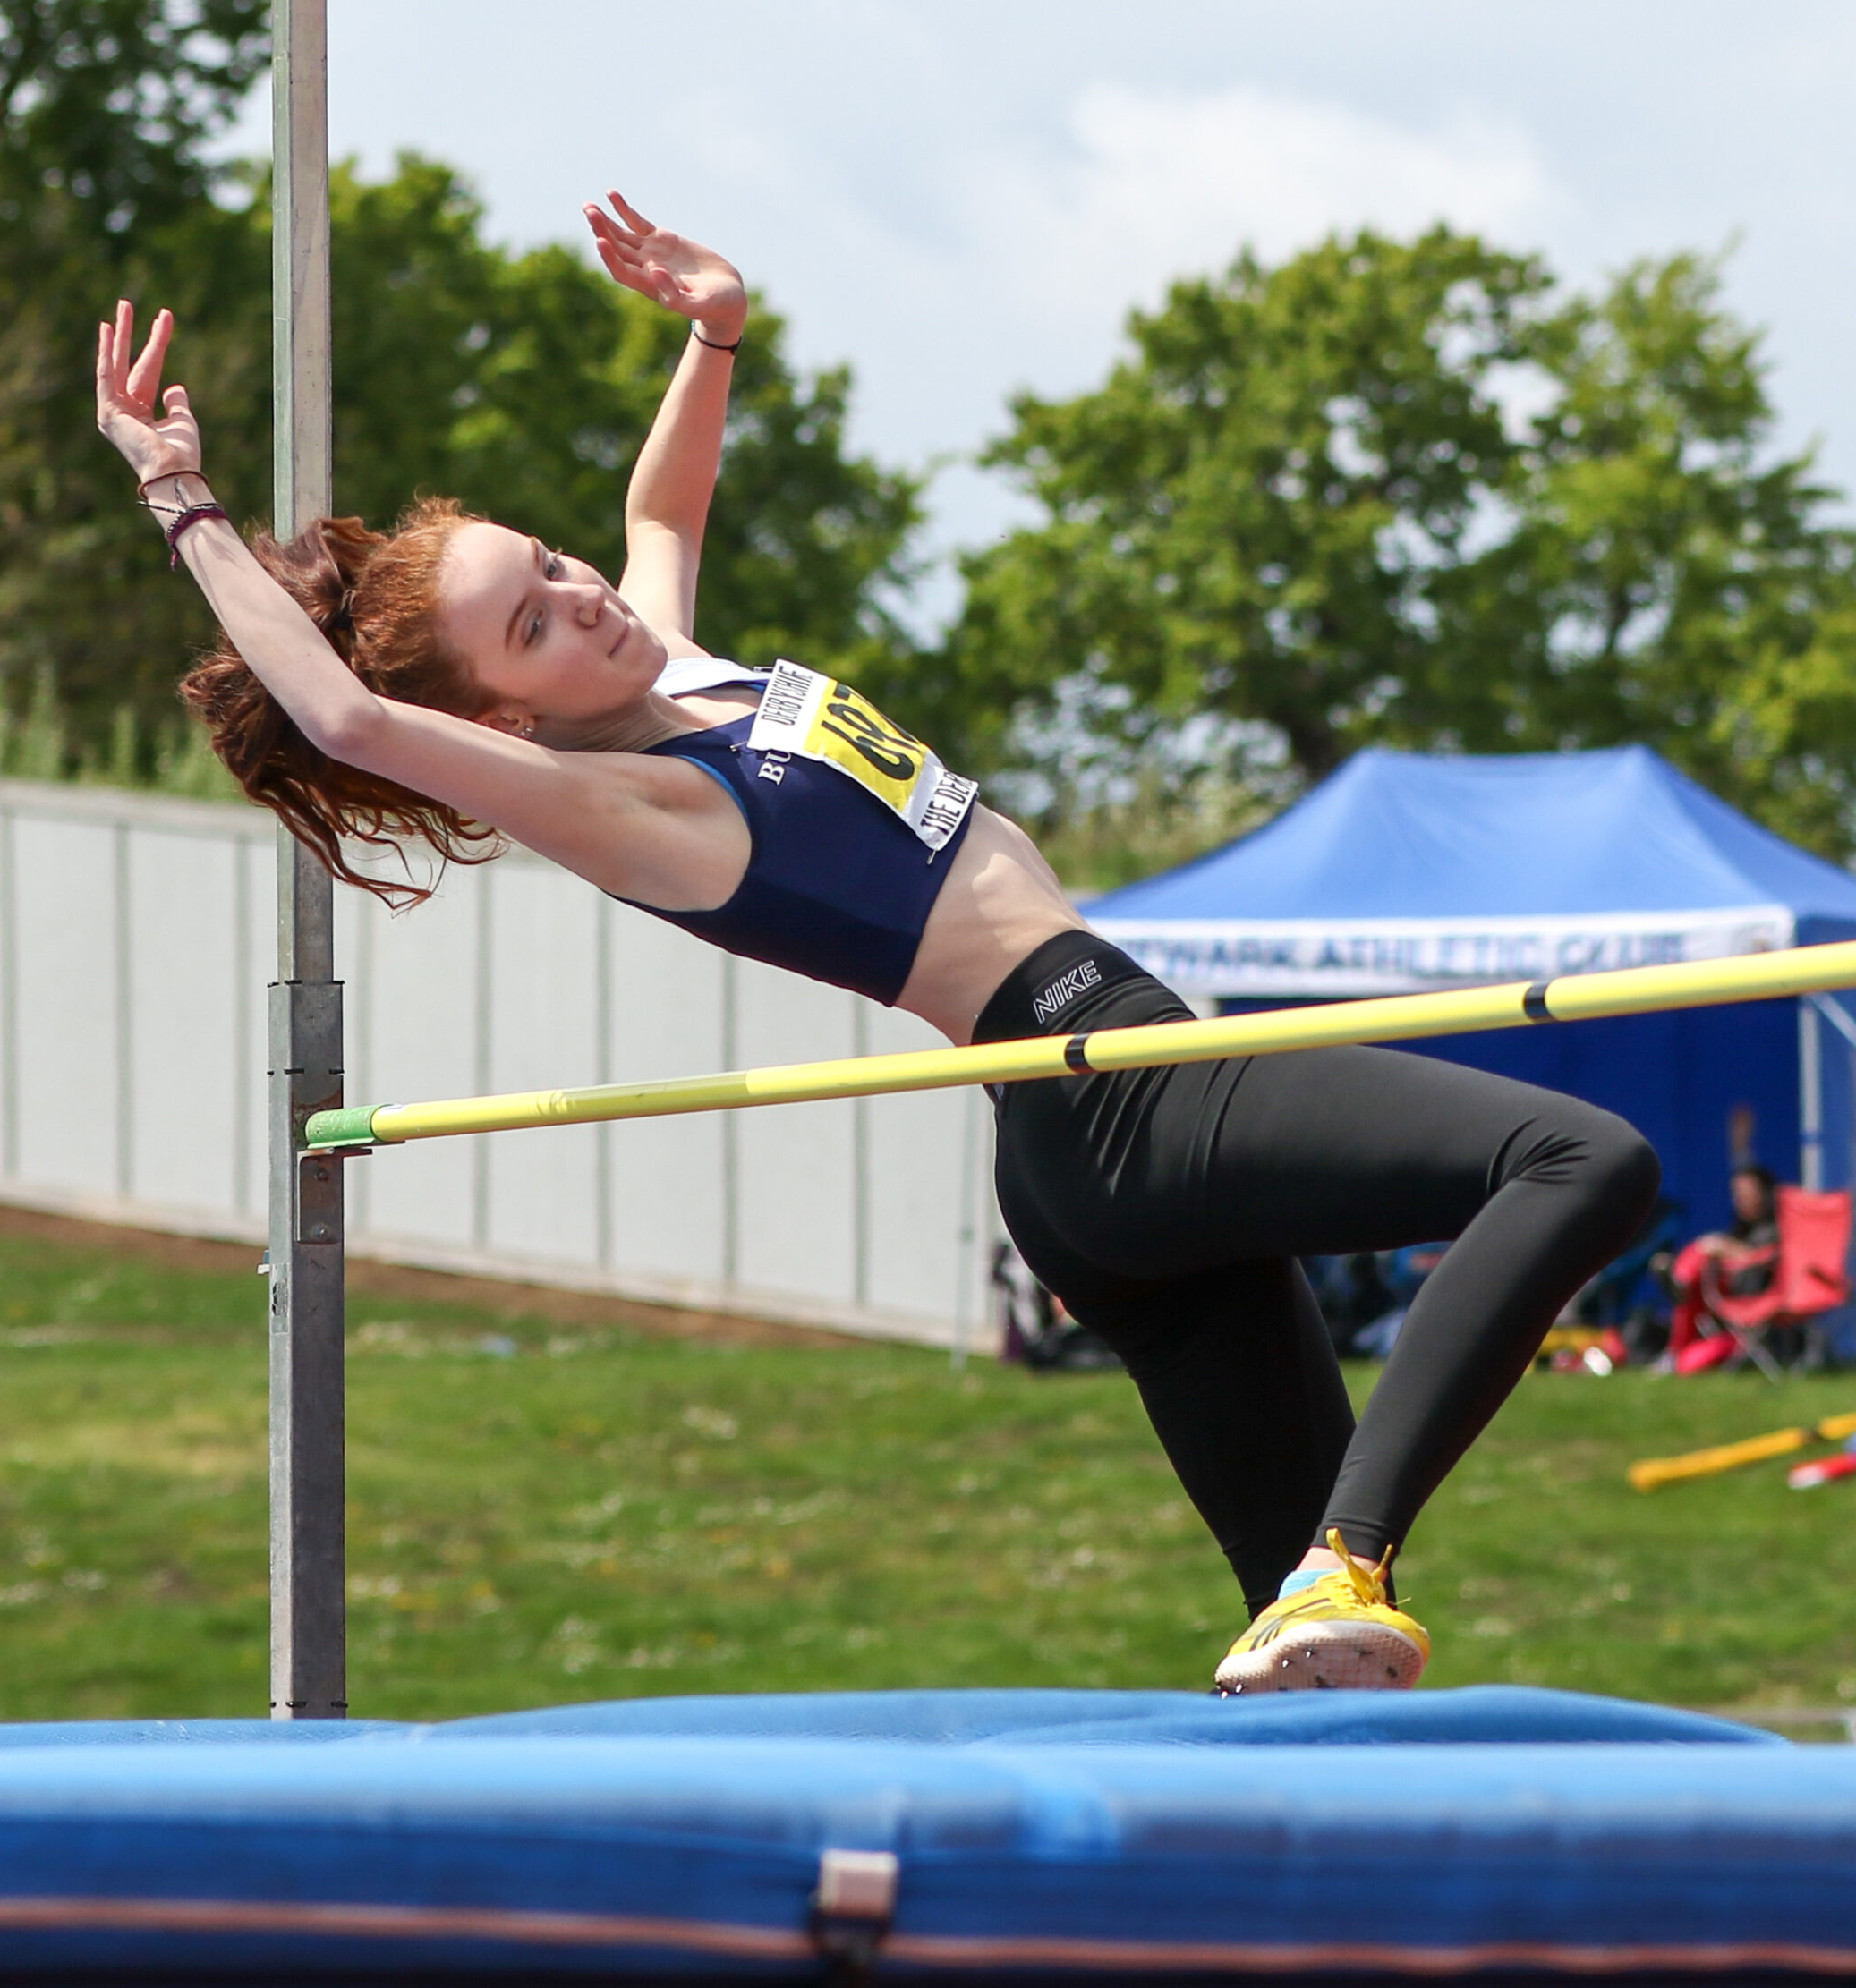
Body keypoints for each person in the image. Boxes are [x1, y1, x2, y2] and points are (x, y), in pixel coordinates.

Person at [94, 193, 1660, 1693]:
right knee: (1577, 1163)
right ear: (501, 721)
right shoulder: (626, 803)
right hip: (1110, 1082)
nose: (584, 599)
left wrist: (712, 333)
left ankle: (1311, 1677)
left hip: (1079, 1131)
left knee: (1300, 1661)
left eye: (553, 567)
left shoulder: (676, 671)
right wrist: (182, 505)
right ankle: (1350, 1555)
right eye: (535, 624)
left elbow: (657, 515)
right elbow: (347, 718)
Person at [1656, 1164, 1779, 1373]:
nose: (1741, 1200)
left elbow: (1768, 1259)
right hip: (1727, 1290)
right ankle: (1681, 1281)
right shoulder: (1742, 1227)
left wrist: (1723, 1248)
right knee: (1694, 1285)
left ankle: (1679, 1278)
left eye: (1748, 1193)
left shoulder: (1777, 1228)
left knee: (1704, 1252)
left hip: (1754, 1294)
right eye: (1737, 1194)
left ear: (1767, 1194)